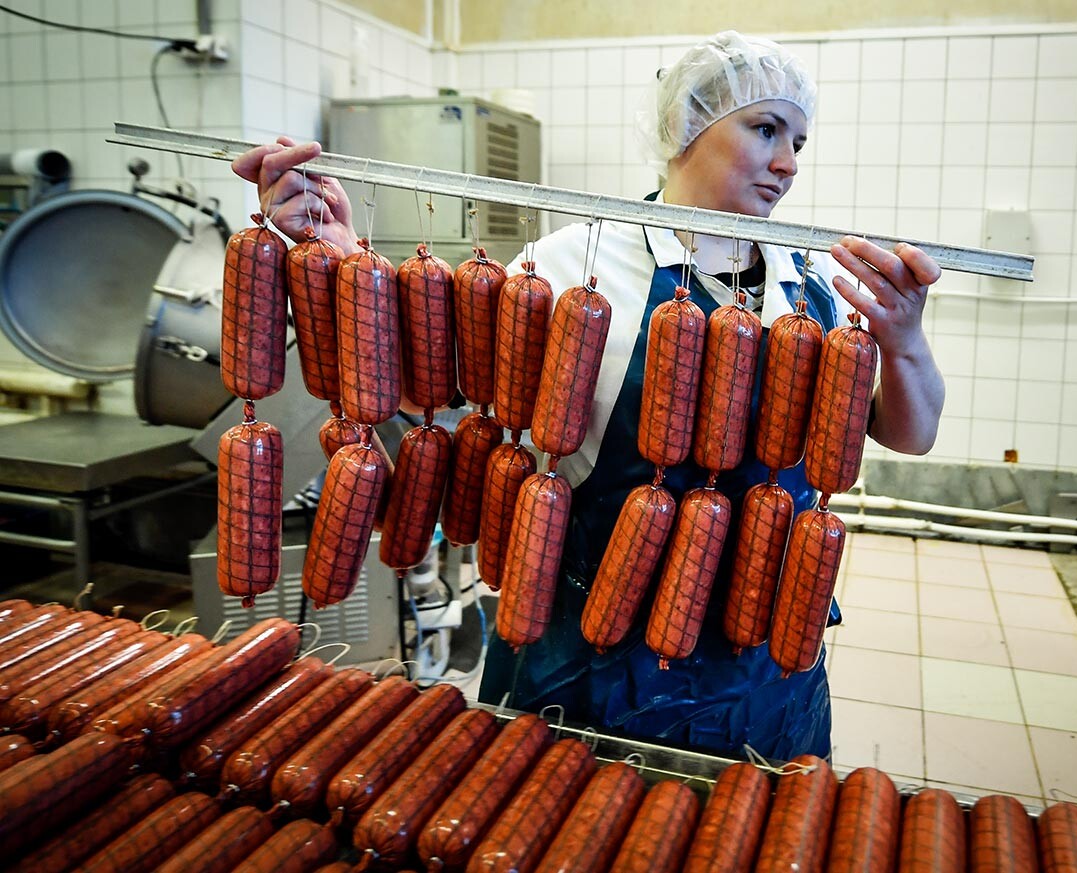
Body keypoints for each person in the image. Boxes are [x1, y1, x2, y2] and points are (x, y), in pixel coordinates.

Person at [233, 30, 943, 760]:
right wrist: (345, 260)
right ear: (685, 127)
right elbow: (445, 384)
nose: (789, 164)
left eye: (799, 139)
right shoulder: (573, 264)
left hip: (764, 656)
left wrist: (906, 338)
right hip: (592, 653)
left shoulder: (814, 285)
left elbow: (908, 432)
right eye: (765, 130)